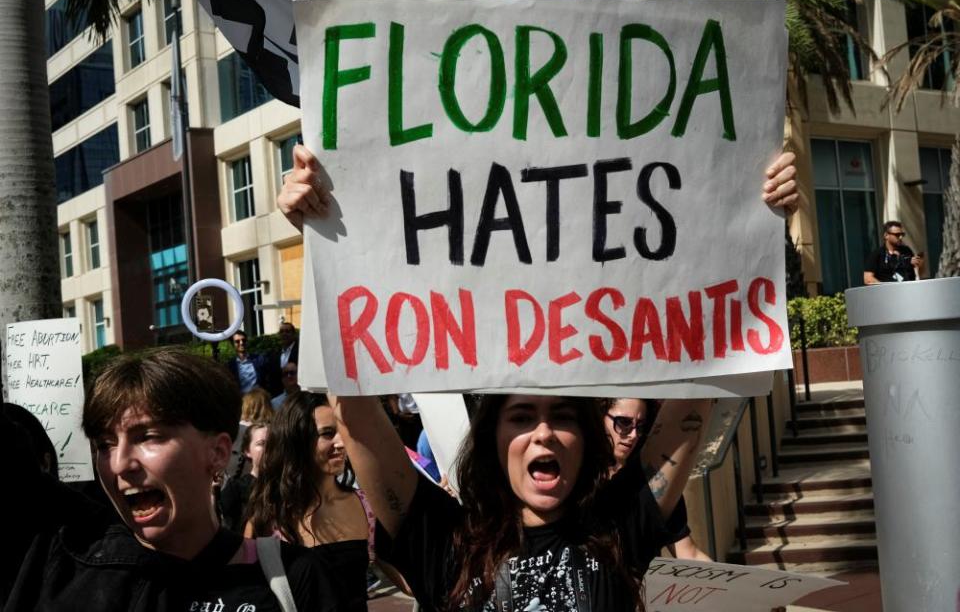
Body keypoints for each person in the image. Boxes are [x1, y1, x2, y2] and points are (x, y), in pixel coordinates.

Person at [277, 147, 798, 610]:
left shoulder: (618, 526)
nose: (544, 433)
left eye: (563, 417)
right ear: (493, 439)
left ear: (587, 440)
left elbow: (693, 398)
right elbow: (356, 412)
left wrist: (751, 221)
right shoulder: (444, 539)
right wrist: (324, 243)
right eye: (522, 417)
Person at [4, 349, 337, 611]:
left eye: (148, 437)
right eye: (105, 444)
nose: (120, 464)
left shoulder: (293, 576)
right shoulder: (74, 573)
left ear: (219, 452)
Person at [246, 392, 396, 612]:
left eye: (343, 433)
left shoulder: (365, 506)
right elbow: (249, 596)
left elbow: (408, 579)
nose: (341, 442)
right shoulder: (268, 517)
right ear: (297, 440)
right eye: (328, 433)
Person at [603, 398, 712, 562]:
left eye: (640, 427)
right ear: (598, 417)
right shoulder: (576, 482)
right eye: (624, 423)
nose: (633, 435)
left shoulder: (655, 482)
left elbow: (688, 553)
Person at [221, 421, 269, 533]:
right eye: (261, 444)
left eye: (273, 443)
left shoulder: (284, 486)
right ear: (247, 451)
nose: (269, 448)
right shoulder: (236, 488)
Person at [864, 220, 924, 284]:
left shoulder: (906, 251)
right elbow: (868, 279)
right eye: (897, 235)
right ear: (886, 235)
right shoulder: (877, 254)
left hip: (908, 289)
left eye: (902, 234)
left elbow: (917, 272)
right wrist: (886, 287)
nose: (900, 237)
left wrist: (918, 265)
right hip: (888, 292)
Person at [227, 329, 278, 394]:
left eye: (244, 340)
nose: (241, 343)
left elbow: (270, 378)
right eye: (237, 341)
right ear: (232, 344)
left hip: (258, 398)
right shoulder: (230, 365)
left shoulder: (259, 359)